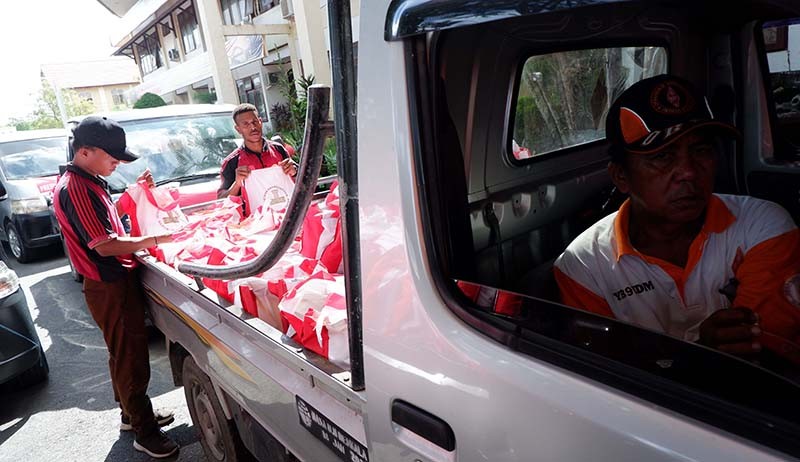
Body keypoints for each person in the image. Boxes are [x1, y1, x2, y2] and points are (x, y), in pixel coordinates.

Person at [554, 74, 800, 364]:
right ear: (621, 176)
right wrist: (700, 351)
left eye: (701, 150)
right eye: (662, 156)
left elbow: (766, 362)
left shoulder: (764, 226)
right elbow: (610, 383)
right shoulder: (584, 265)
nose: (689, 172)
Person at [53, 116, 180, 459]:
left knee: (120, 352)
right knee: (130, 357)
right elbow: (104, 243)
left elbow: (107, 217)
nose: (117, 163)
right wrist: (156, 238)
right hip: (108, 282)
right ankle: (145, 432)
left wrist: (133, 193)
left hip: (110, 281)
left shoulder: (89, 180)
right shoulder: (76, 187)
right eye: (112, 157)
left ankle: (129, 415)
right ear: (85, 151)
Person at [218, 103, 298, 214]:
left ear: (260, 122)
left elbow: (301, 179)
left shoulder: (279, 149)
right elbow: (221, 201)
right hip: (255, 226)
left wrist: (294, 171)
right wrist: (237, 184)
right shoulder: (232, 162)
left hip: (287, 218)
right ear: (238, 129)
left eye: (255, 122)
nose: (253, 127)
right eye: (246, 124)